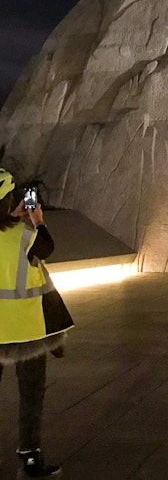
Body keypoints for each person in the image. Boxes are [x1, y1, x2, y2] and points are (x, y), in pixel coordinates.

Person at [0, 168, 74, 479]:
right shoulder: (26, 234)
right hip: (26, 331)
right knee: (31, 394)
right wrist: (36, 220)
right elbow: (47, 249)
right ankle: (29, 457)